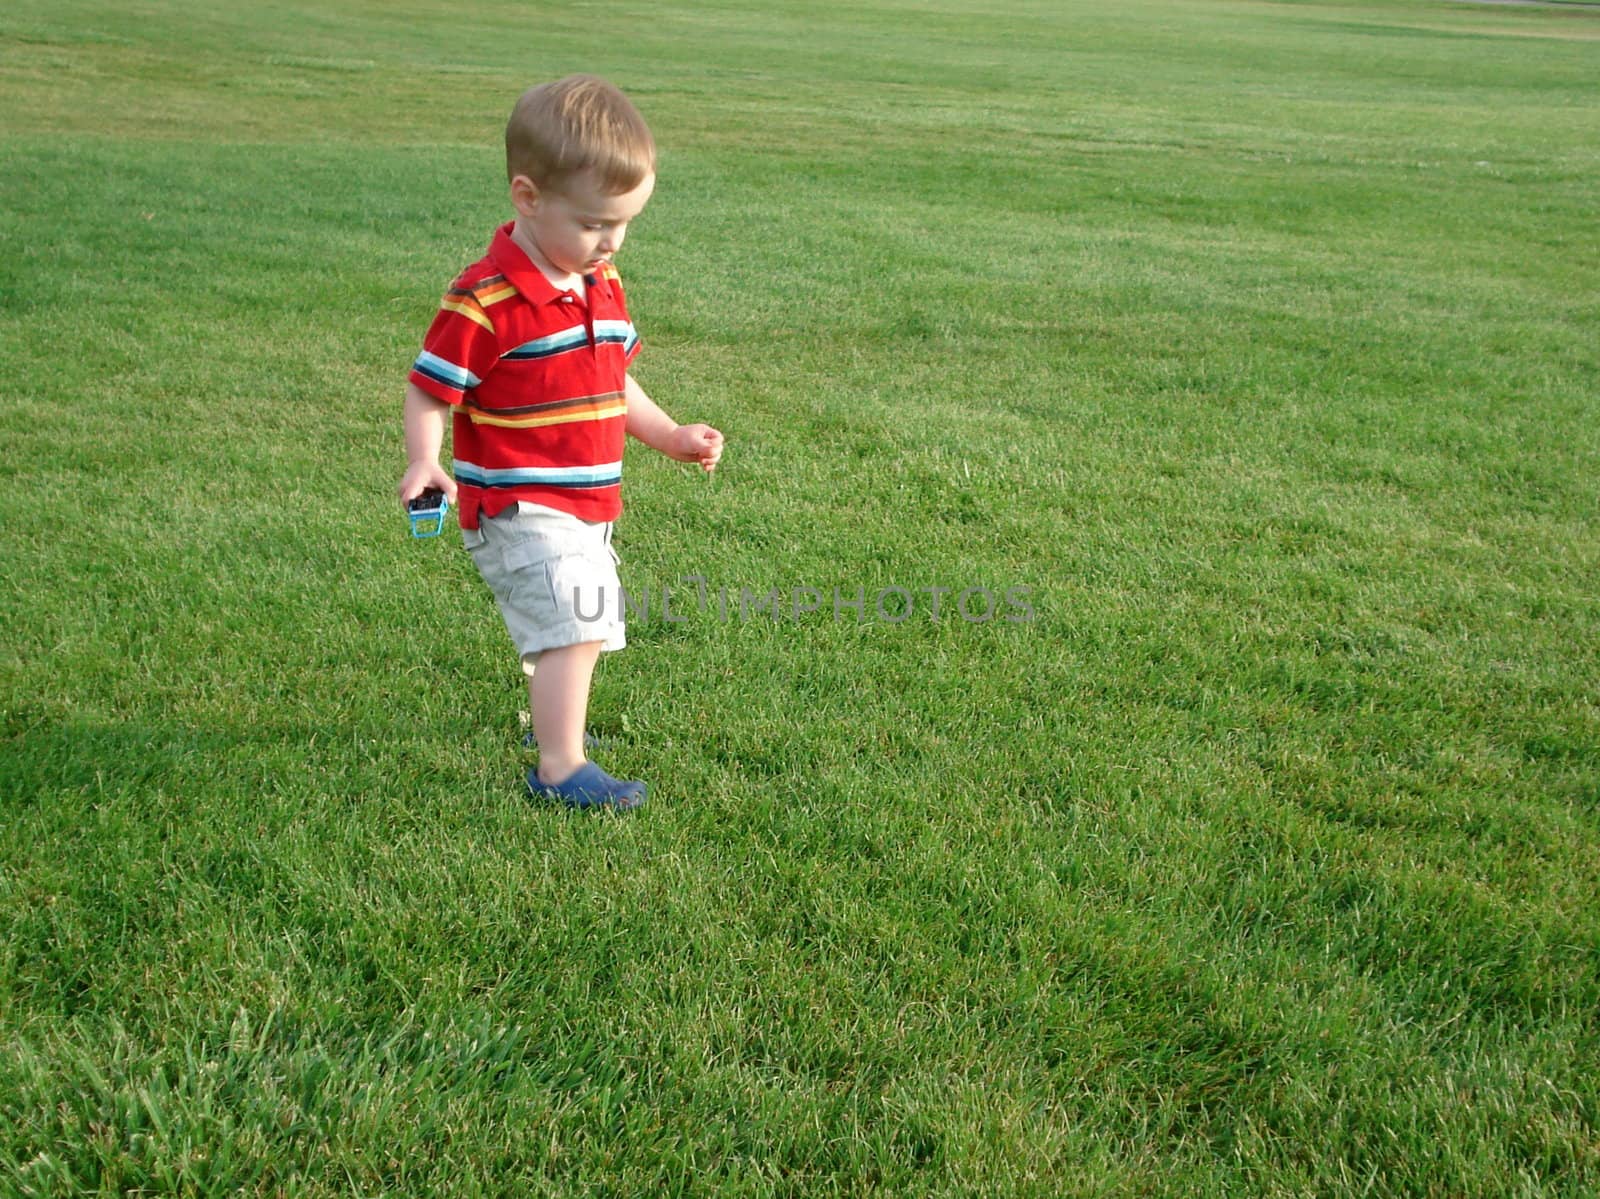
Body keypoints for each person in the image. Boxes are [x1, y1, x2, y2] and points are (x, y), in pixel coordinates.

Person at [397, 75, 723, 811]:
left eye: (624, 223)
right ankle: (559, 767)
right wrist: (425, 458)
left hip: (587, 501)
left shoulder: (600, 282)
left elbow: (616, 382)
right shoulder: (486, 299)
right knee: (576, 622)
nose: (610, 242)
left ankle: (558, 731)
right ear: (528, 197)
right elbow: (430, 386)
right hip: (519, 502)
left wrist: (668, 434)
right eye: (593, 224)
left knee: (581, 622)